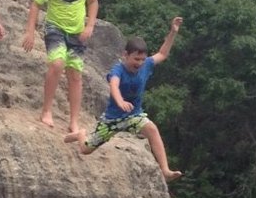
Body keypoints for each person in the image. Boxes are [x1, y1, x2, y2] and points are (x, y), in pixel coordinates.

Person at [64, 18, 183, 182]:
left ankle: (165, 170)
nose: (139, 63)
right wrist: (119, 102)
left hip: (133, 115)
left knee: (152, 129)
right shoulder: (117, 70)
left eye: (142, 59)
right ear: (125, 55)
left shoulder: (146, 65)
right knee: (85, 149)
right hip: (112, 119)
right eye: (136, 59)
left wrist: (173, 32)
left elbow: (162, 53)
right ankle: (80, 135)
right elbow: (114, 85)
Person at [21, 0, 98, 134]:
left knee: (75, 73)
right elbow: (36, 4)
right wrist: (30, 31)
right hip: (55, 27)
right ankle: (46, 111)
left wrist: (90, 25)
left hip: (77, 31)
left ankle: (74, 120)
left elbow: (93, 1)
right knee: (57, 63)